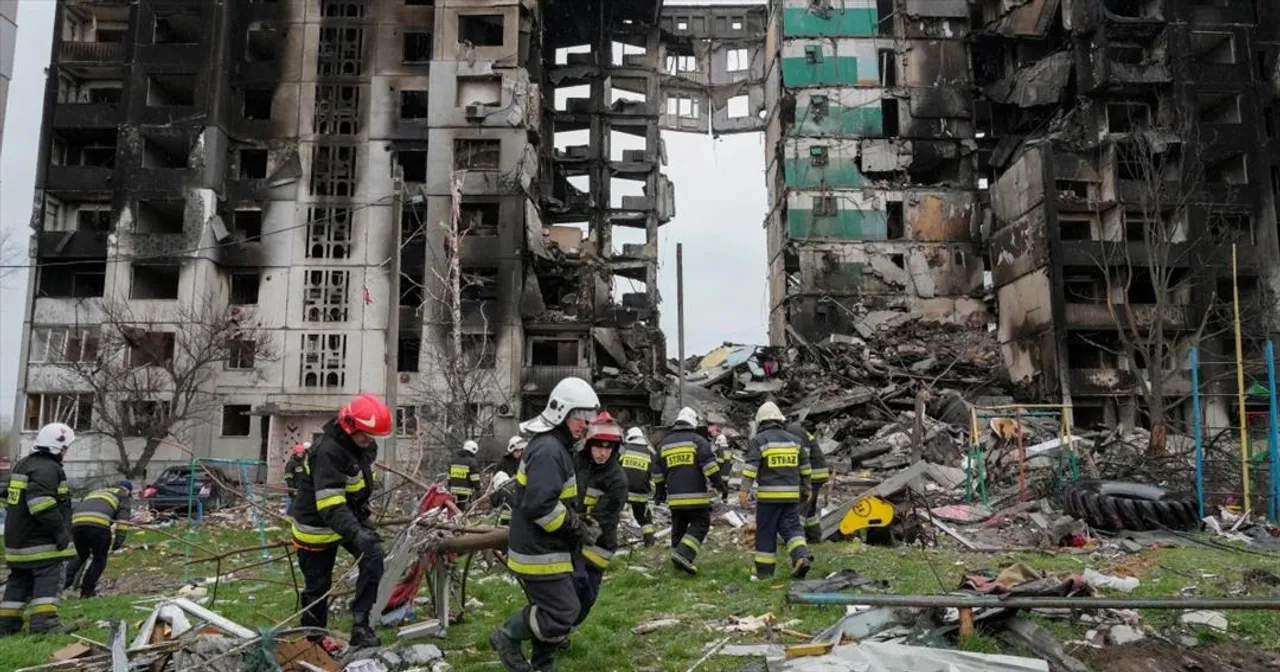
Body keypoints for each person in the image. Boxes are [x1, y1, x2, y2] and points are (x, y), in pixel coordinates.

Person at [489, 377, 601, 672]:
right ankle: (507, 636)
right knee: (563, 611)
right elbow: (541, 507)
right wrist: (577, 528)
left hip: (548, 549)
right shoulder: (550, 450)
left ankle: (542, 666)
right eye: (582, 417)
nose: (587, 425)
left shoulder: (556, 446)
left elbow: (553, 499)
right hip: (539, 554)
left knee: (551, 611)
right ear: (563, 413)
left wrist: (578, 520)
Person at [291, 393, 391, 648]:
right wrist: (357, 533)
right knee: (318, 585)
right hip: (316, 526)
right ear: (349, 426)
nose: (369, 440)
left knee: (373, 555)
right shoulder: (328, 452)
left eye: (372, 436)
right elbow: (330, 505)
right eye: (364, 434)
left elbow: (356, 483)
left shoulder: (362, 445)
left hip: (347, 515)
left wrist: (361, 526)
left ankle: (361, 624)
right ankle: (314, 640)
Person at [1, 423, 77, 635]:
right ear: (58, 447)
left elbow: (10, 497)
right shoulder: (48, 469)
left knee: (19, 581)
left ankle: (6, 626)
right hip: (40, 543)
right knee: (48, 579)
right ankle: (45, 624)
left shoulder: (24, 464)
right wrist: (61, 532)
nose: (66, 452)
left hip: (16, 542)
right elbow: (41, 504)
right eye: (65, 448)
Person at [740, 402, 813, 580]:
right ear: (780, 420)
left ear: (760, 422)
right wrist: (807, 487)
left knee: (766, 532)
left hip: (768, 498)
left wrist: (744, 490)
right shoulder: (795, 440)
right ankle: (801, 557)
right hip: (790, 496)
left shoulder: (760, 440)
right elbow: (805, 468)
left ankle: (764, 573)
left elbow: (751, 468)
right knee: (793, 529)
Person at [654, 407, 727, 575]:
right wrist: (720, 486)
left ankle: (677, 562)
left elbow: (657, 473)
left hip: (674, 499)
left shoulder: (664, 444)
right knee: (701, 524)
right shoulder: (698, 441)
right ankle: (683, 554)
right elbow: (709, 467)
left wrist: (659, 491)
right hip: (696, 498)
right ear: (693, 422)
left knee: (678, 527)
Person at [572, 412, 627, 625]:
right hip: (571, 540)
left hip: (599, 543)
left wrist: (575, 526)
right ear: (589, 445)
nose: (602, 453)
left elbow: (604, 516)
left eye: (608, 448)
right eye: (598, 447)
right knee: (570, 588)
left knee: (587, 596)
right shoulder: (576, 464)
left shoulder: (617, 478)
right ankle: (554, 632)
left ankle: (564, 629)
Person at [64, 480, 133, 598]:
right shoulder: (123, 496)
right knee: (99, 558)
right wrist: (118, 541)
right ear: (127, 491)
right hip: (98, 525)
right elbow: (123, 521)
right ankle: (87, 592)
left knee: (80, 555)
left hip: (77, 523)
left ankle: (62, 586)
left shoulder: (95, 492)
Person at [788, 421, 829, 543]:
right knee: (810, 510)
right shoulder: (793, 430)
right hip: (816, 474)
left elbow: (802, 456)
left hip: (813, 474)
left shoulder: (793, 430)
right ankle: (814, 537)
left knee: (800, 506)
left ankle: (795, 539)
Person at [620, 427, 657, 546]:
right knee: (644, 517)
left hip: (622, 492)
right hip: (640, 494)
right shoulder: (650, 453)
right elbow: (654, 473)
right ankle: (649, 542)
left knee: (613, 514)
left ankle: (609, 540)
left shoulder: (622, 449)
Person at [448, 440, 482, 506]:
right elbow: (475, 478)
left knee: (454, 511)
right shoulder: (471, 462)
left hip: (453, 491)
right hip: (465, 492)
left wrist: (449, 486)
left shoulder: (453, 460)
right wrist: (478, 490)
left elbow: (449, 476)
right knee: (463, 512)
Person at [283, 443, 307, 512]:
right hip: (294, 489)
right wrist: (292, 489)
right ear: (296, 453)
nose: (301, 454)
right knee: (293, 505)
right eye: (300, 453)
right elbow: (288, 477)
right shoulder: (291, 463)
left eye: (302, 453)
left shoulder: (303, 463)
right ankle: (288, 518)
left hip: (302, 488)